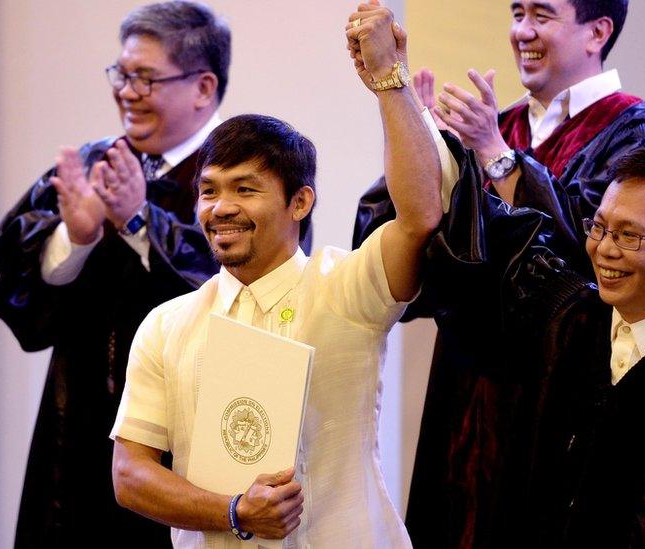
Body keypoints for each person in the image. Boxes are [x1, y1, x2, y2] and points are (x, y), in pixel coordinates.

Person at [351, 1, 645, 547]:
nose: (521, 30)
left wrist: (498, 159)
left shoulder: (643, 138)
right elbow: (415, 251)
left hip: (560, 388)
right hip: (467, 397)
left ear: (598, 30)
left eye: (543, 15)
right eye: (517, 11)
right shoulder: (493, 123)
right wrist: (418, 139)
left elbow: (589, 276)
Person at [110, 6, 443, 546]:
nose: (221, 208)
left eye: (245, 189)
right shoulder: (168, 324)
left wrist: (388, 81)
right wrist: (235, 512)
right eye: (210, 190)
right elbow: (130, 474)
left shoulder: (347, 287)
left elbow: (420, 216)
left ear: (300, 202)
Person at [0, 2, 242, 546]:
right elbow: (24, 292)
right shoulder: (95, 164)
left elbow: (247, 288)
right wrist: (76, 239)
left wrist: (137, 221)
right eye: (122, 75)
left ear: (202, 87)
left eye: (145, 79)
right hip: (77, 431)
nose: (127, 92)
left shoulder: (249, 172)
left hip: (186, 446)